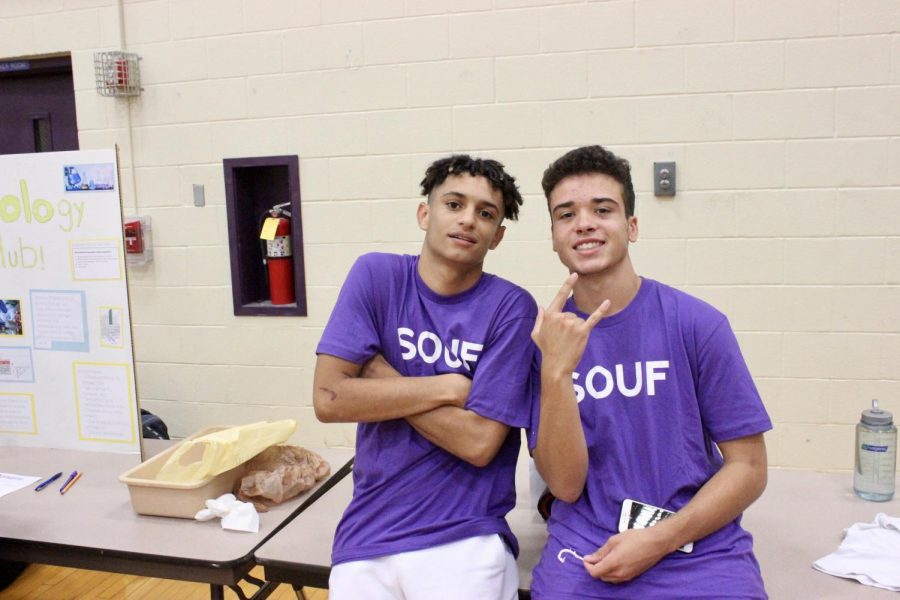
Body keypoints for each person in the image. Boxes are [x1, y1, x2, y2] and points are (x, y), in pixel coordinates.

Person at [529, 145, 772, 598]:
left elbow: (750, 467)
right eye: (566, 214)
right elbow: (564, 484)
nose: (584, 223)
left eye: (603, 209)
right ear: (554, 236)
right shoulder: (541, 342)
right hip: (588, 549)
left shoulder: (696, 323)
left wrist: (660, 539)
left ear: (632, 226)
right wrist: (557, 374)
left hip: (697, 548)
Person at [314, 154, 536, 600]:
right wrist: (449, 387)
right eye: (454, 204)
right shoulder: (376, 276)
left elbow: (478, 443)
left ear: (497, 237)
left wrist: (377, 372)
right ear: (424, 213)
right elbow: (329, 399)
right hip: (367, 535)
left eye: (485, 213)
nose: (468, 220)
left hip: (465, 536)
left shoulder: (511, 308)